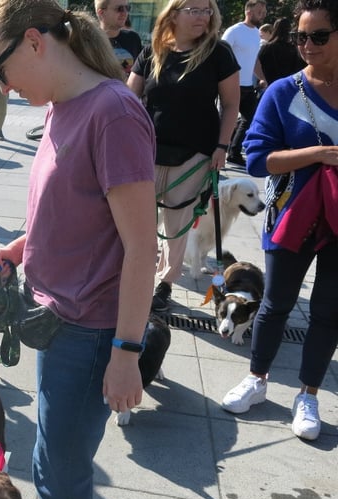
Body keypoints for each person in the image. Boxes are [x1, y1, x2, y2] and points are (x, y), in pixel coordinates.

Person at [0, 1, 157, 499]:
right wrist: (18, 247)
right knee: (53, 464)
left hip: (91, 332)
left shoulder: (113, 114)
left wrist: (127, 352)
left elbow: (141, 247)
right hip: (57, 322)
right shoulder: (60, 106)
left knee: (61, 477)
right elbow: (69, 213)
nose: (0, 87)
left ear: (34, 42)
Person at [220, 0, 338, 442]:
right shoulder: (285, 91)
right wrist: (320, 154)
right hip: (292, 213)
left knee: (329, 312)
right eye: (300, 37)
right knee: (275, 305)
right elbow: (255, 158)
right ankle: (257, 378)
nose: (306, 45)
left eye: (319, 36)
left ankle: (307, 393)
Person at [127, 0, 240, 312]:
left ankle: (164, 284)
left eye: (207, 11)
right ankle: (134, 277)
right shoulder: (153, 51)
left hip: (194, 155)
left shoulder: (219, 53)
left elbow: (231, 104)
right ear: (173, 13)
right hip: (147, 152)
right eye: (195, 10)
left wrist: (221, 147)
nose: (203, 17)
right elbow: (129, 96)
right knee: (139, 222)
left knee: (177, 226)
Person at [223, 0, 267, 166]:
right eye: (259, 12)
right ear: (248, 12)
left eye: (263, 12)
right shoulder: (234, 31)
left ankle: (233, 151)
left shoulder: (256, 33)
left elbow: (254, 60)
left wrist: (263, 78)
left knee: (251, 118)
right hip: (231, 84)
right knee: (228, 118)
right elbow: (222, 55)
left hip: (248, 85)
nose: (262, 15)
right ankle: (220, 148)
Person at [95, 0, 142, 79]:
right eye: (119, 9)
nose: (125, 13)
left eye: (127, 8)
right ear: (101, 13)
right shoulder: (89, 41)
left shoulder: (133, 38)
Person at [256, 17, 306, 86]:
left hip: (271, 84)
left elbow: (257, 64)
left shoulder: (267, 47)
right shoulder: (293, 48)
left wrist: (263, 79)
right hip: (291, 84)